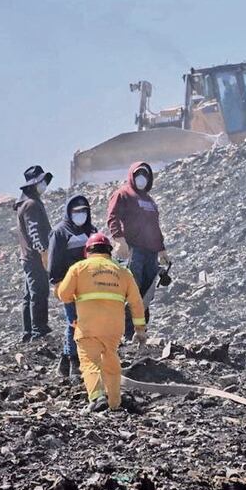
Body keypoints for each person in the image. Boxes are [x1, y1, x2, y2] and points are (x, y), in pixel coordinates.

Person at [56, 233, 147, 412]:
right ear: (109, 251)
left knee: (90, 362)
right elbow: (136, 302)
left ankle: (97, 398)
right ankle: (114, 403)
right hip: (113, 329)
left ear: (87, 251)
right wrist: (140, 329)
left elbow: (64, 295)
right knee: (111, 362)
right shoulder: (123, 272)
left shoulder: (79, 268)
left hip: (88, 327)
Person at [106, 161, 170, 338]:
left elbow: (155, 226)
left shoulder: (150, 201)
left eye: (145, 175)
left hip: (151, 253)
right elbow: (112, 217)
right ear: (131, 176)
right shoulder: (123, 194)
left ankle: (141, 332)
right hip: (134, 250)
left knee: (147, 293)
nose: (141, 178)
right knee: (132, 291)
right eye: (138, 174)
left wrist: (161, 249)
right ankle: (127, 333)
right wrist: (119, 240)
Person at [47, 194, 96, 378]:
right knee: (74, 322)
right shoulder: (60, 232)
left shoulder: (91, 231)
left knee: (88, 322)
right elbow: (54, 261)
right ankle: (74, 362)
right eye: (77, 211)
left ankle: (65, 360)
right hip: (69, 284)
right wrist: (57, 284)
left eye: (84, 211)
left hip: (90, 286)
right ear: (69, 212)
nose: (81, 214)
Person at [14, 165, 53, 343]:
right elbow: (34, 232)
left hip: (29, 257)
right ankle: (39, 331)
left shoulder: (26, 203)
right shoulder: (31, 205)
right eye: (41, 181)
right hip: (35, 257)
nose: (43, 185)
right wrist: (43, 253)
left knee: (30, 294)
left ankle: (28, 331)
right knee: (39, 292)